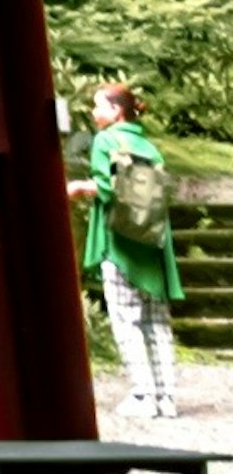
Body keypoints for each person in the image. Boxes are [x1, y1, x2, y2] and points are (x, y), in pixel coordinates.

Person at [85, 74, 186, 426]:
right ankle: (166, 396)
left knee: (127, 321)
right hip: (153, 241)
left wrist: (80, 187)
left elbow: (106, 188)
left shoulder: (105, 140)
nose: (93, 111)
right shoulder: (149, 147)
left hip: (122, 243)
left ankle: (142, 394)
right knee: (157, 321)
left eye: (98, 105)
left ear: (115, 110)